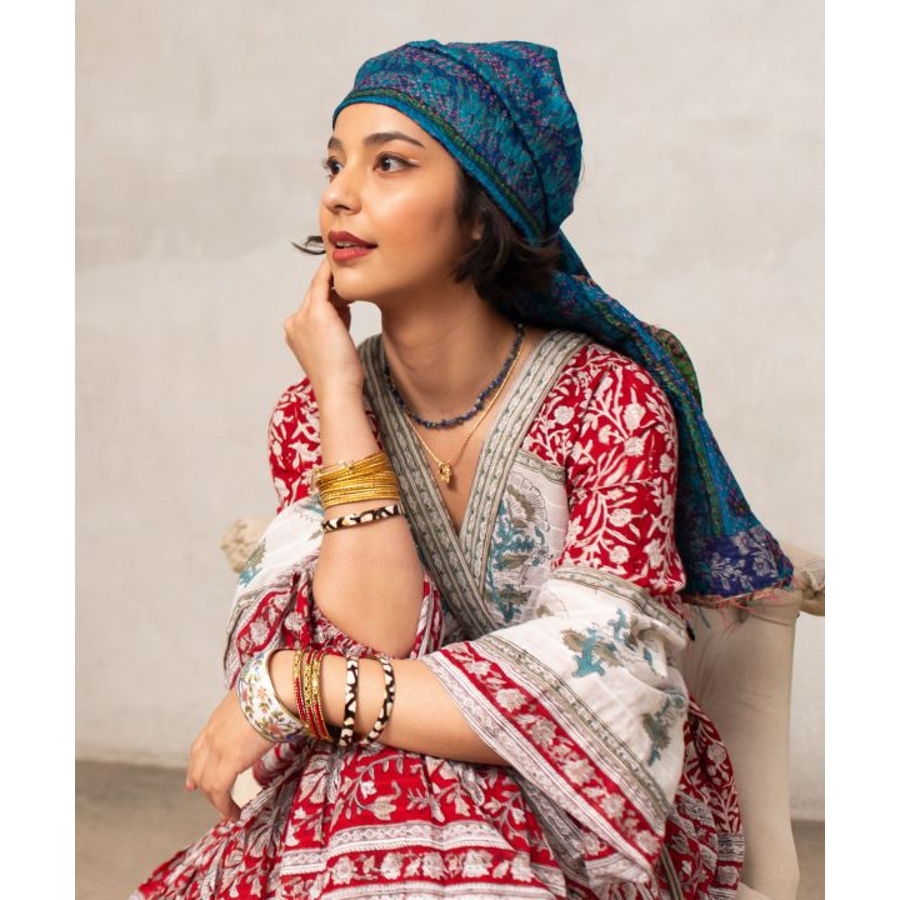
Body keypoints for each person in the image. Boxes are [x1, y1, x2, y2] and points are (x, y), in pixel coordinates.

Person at [131, 40, 793, 900]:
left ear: (484, 211)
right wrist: (338, 393)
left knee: (398, 764)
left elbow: (596, 687)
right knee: (388, 767)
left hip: (572, 804)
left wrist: (301, 683)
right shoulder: (312, 415)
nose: (339, 193)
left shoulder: (610, 403)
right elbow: (374, 637)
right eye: (334, 163)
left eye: (389, 164)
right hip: (360, 789)